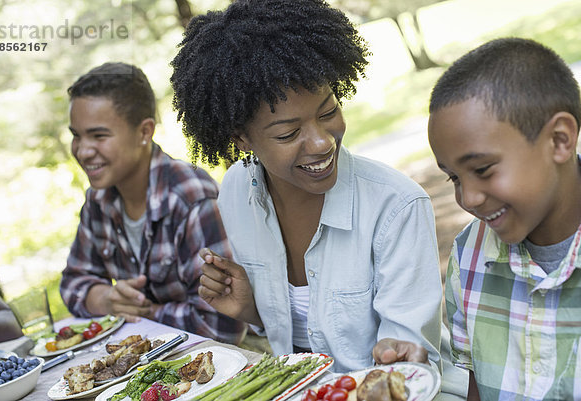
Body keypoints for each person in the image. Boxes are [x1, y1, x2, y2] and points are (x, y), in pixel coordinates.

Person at [170, 1, 467, 397]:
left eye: (328, 112)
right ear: (242, 138)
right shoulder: (237, 192)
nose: (321, 142)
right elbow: (297, 334)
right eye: (288, 134)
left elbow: (405, 369)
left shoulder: (396, 206)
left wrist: (395, 353)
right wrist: (250, 310)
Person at [427, 37, 581, 400]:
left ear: (560, 140)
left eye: (482, 169)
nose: (468, 198)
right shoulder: (469, 255)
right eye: (454, 177)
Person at [59, 62, 246, 345]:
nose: (83, 151)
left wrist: (143, 313)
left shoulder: (190, 199)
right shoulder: (98, 199)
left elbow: (223, 325)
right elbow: (73, 281)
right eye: (76, 135)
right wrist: (106, 299)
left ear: (145, 132)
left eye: (99, 135)